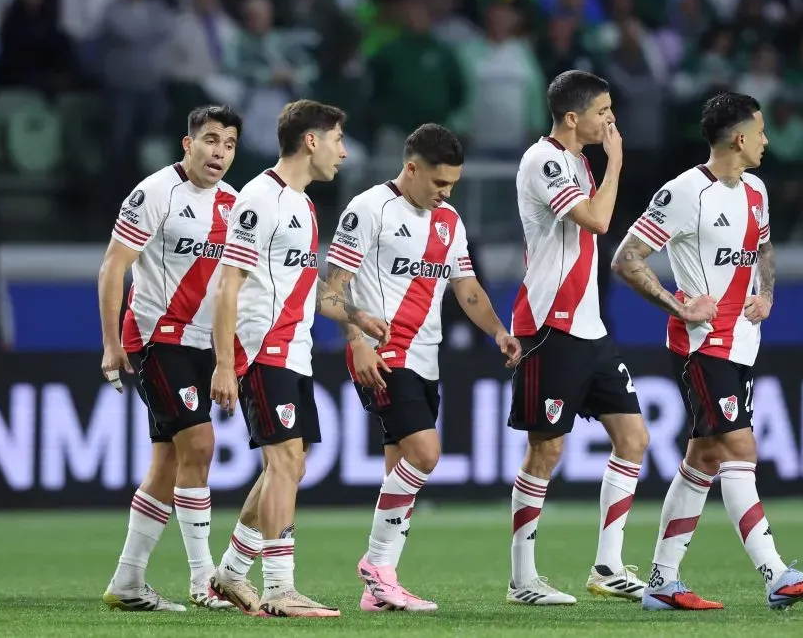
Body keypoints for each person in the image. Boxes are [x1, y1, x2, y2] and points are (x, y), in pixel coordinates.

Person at [610, 92, 803, 611]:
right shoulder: (684, 193)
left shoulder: (756, 190)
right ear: (738, 138)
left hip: (742, 343)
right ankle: (776, 576)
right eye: (761, 131)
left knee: (704, 457)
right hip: (702, 345)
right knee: (740, 449)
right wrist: (679, 305)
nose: (766, 140)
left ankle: (662, 582)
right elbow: (626, 258)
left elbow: (764, 248)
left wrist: (767, 295)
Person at [206, 100, 389, 619]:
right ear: (312, 141)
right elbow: (228, 286)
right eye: (337, 139)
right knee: (285, 461)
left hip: (294, 351)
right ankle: (279, 588)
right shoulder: (258, 199)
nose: (343, 152)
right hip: (262, 349)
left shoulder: (303, 207)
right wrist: (225, 363)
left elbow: (309, 291)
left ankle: (231, 572)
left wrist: (356, 320)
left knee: (291, 462)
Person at [328, 124, 522, 613]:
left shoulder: (449, 221)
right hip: (383, 354)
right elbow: (331, 292)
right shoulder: (369, 209)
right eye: (439, 183)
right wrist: (356, 341)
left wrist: (498, 331)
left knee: (400, 466)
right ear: (411, 169)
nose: (446, 193)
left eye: (453, 184)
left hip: (426, 358)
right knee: (425, 452)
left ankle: (380, 587)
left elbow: (467, 288)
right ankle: (375, 565)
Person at [506, 70, 649, 605]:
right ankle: (523, 579)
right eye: (602, 111)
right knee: (546, 449)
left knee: (633, 439)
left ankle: (608, 566)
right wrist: (617, 163)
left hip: (590, 328)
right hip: (550, 326)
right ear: (572, 117)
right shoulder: (543, 160)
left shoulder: (579, 163)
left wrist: (604, 164)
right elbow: (597, 220)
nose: (611, 120)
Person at [98, 105, 243, 612]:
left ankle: (127, 582)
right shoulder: (155, 192)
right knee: (200, 445)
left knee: (168, 462)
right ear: (188, 144)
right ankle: (205, 579)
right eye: (210, 140)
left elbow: (233, 288)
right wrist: (111, 343)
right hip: (156, 337)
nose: (219, 152)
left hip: (204, 344)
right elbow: (113, 268)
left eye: (229, 144)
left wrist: (229, 355)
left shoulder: (233, 204)